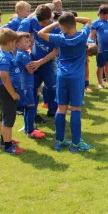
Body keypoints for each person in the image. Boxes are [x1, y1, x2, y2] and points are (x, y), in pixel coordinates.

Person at [38, 13, 93, 153]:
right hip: (76, 77)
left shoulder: (60, 38)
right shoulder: (82, 35)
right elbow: (88, 20)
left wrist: (56, 23)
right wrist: (70, 20)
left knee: (61, 108)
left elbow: (41, 32)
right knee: (76, 108)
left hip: (62, 76)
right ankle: (76, 144)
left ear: (63, 27)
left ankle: (60, 141)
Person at [18, 5, 60, 121]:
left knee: (53, 88)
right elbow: (29, 35)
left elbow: (56, 51)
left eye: (44, 22)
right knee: (33, 88)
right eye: (39, 22)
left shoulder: (56, 29)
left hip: (48, 63)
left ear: (50, 18)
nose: (41, 25)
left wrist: (40, 62)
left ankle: (53, 112)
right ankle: (33, 114)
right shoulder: (33, 21)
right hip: (34, 60)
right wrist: (30, 48)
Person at [0, 28, 23, 154]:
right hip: (6, 91)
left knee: (3, 115)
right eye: (14, 42)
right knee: (8, 118)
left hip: (2, 89)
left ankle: (4, 139)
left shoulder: (2, 52)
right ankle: (8, 146)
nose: (15, 44)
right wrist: (13, 93)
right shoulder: (4, 57)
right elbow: (4, 77)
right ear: (8, 42)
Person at [14, 32, 45, 139]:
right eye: (25, 41)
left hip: (27, 84)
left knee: (28, 107)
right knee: (31, 107)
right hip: (25, 85)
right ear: (17, 44)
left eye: (29, 41)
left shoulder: (25, 53)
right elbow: (30, 71)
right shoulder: (22, 55)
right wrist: (38, 65)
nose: (29, 43)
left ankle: (27, 128)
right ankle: (30, 130)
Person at [90, 5, 108, 89]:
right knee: (100, 65)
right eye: (107, 14)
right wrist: (93, 47)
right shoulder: (96, 23)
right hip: (100, 48)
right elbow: (92, 37)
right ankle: (100, 83)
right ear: (102, 14)